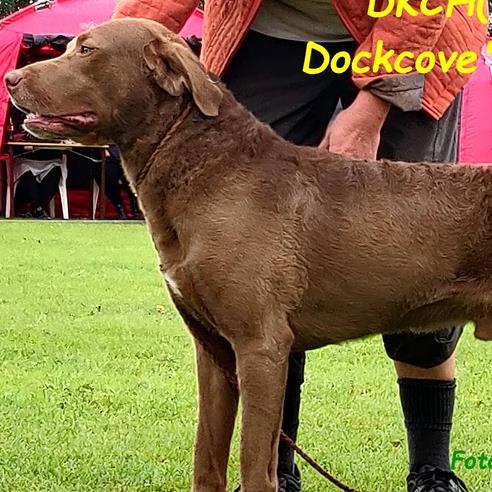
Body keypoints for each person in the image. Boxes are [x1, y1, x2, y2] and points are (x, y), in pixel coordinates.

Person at [113, 1, 486, 491]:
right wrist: (104, 56)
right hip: (270, 38)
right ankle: (275, 474)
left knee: (429, 251)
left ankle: (432, 470)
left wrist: (375, 105)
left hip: (413, 31)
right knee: (254, 287)